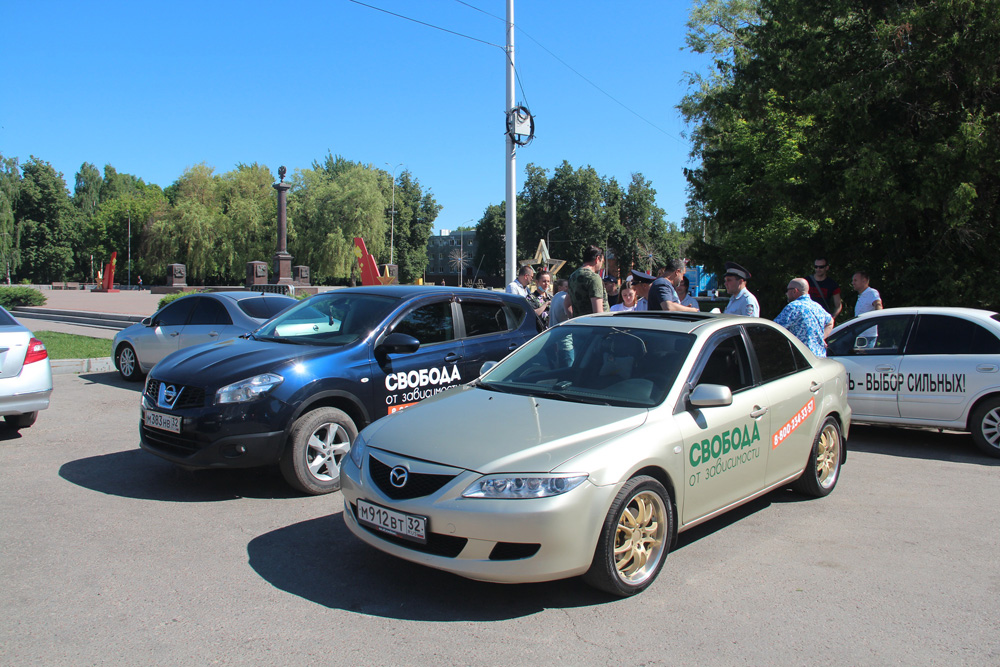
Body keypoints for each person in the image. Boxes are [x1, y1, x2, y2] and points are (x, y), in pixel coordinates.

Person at [775, 278, 834, 357]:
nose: (786, 293)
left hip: (802, 360)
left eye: (787, 290)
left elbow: (775, 328)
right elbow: (830, 322)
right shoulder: (817, 307)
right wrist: (821, 338)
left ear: (795, 291)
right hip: (820, 358)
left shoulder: (793, 307)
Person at [568, 245, 608, 316]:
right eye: (602, 262)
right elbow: (598, 312)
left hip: (579, 323)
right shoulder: (593, 278)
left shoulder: (573, 276)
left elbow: (566, 303)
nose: (602, 265)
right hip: (592, 324)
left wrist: (572, 318)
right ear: (597, 259)